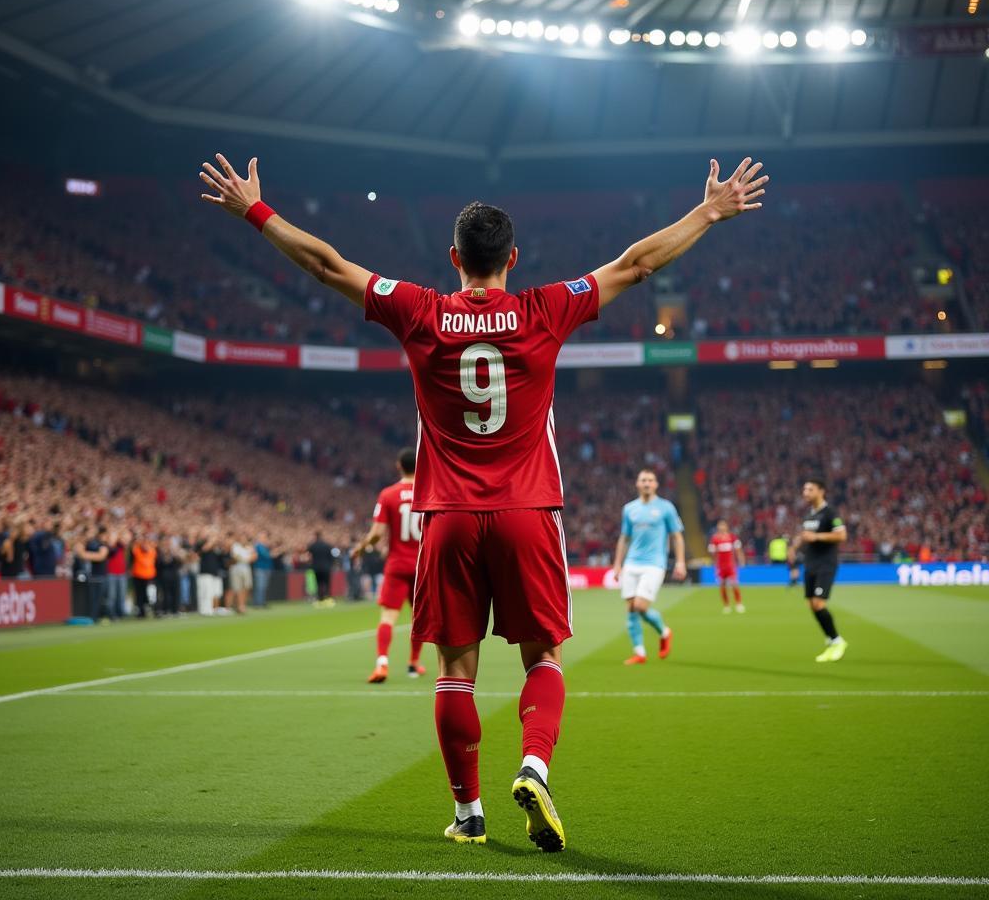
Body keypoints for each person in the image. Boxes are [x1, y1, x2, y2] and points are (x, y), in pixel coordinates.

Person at [199, 149, 766, 850]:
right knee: (543, 659)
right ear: (514, 258)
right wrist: (711, 210)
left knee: (454, 671)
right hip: (529, 513)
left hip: (447, 519)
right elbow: (636, 263)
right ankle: (533, 765)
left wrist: (255, 210)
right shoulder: (545, 308)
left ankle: (469, 814)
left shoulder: (419, 312)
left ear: (453, 257)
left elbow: (326, 264)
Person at [352, 447, 426, 683]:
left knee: (388, 617)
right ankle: (413, 664)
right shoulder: (430, 492)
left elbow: (376, 534)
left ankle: (382, 663)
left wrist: (361, 548)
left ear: (398, 466)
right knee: (420, 618)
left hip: (396, 564)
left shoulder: (388, 494)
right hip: (422, 565)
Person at [611, 469, 687, 664]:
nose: (647, 483)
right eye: (643, 480)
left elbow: (677, 536)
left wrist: (680, 561)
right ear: (637, 484)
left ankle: (664, 631)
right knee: (631, 608)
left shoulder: (666, 507)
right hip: (631, 563)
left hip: (654, 564)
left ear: (656, 485)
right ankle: (640, 653)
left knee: (640, 605)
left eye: (650, 480)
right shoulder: (629, 509)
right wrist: (618, 564)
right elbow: (624, 538)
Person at [791, 477, 848, 663]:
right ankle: (830, 637)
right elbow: (804, 535)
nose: (805, 493)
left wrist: (817, 537)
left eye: (810, 489)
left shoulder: (830, 512)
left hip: (826, 563)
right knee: (811, 604)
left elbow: (841, 535)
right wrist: (794, 547)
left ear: (821, 491)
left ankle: (837, 641)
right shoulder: (809, 515)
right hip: (810, 564)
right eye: (804, 490)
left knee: (818, 603)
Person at [709, 518, 746, 614]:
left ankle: (738, 604)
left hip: (730, 565)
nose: (721, 527)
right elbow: (713, 554)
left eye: (723, 525)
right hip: (721, 567)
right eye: (719, 525)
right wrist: (715, 566)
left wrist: (741, 560)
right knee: (722, 586)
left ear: (726, 527)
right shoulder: (715, 539)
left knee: (734, 584)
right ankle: (726, 605)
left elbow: (738, 550)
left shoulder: (732, 537)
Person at [306, 530, 336, 607]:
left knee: (318, 584)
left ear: (315, 536)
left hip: (316, 567)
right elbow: (331, 557)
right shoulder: (327, 545)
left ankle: (320, 599)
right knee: (327, 583)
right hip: (326, 567)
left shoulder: (312, 546)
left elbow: (308, 556)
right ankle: (328, 599)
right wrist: (331, 565)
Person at [130, 534, 157, 618]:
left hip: (149, 576)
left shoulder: (152, 551)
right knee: (139, 595)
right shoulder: (137, 550)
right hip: (138, 576)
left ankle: (148, 610)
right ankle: (140, 612)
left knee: (148, 596)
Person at [227, 538, 254, 615]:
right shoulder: (235, 546)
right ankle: (239, 606)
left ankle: (242, 604)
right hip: (236, 569)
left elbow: (254, 556)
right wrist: (246, 559)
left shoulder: (249, 547)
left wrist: (246, 559)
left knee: (246, 587)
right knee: (237, 588)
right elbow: (236, 557)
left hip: (246, 569)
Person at [252, 534, 274, 608]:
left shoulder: (265, 546)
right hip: (260, 568)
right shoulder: (258, 546)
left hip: (266, 568)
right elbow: (267, 555)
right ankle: (258, 603)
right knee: (259, 586)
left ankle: (262, 601)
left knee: (264, 586)